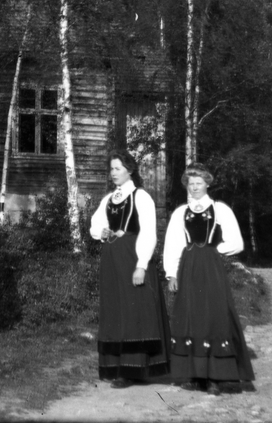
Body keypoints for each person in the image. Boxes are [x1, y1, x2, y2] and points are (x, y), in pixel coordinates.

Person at [162, 164, 255, 394]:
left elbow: (237, 242)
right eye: (190, 183)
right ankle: (195, 375)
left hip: (211, 269)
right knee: (191, 316)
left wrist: (212, 250)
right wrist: (171, 273)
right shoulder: (180, 213)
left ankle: (216, 376)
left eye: (199, 183)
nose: (194, 187)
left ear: (207, 184)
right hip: (188, 268)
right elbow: (172, 244)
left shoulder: (220, 209)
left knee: (214, 316)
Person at [89, 151, 171, 386]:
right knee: (116, 309)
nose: (113, 173)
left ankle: (133, 369)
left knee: (135, 311)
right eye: (112, 169)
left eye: (117, 168)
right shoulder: (109, 198)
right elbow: (96, 225)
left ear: (130, 170)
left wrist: (141, 266)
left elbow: (148, 233)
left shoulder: (141, 197)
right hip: (112, 260)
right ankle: (117, 367)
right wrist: (102, 232)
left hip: (132, 257)